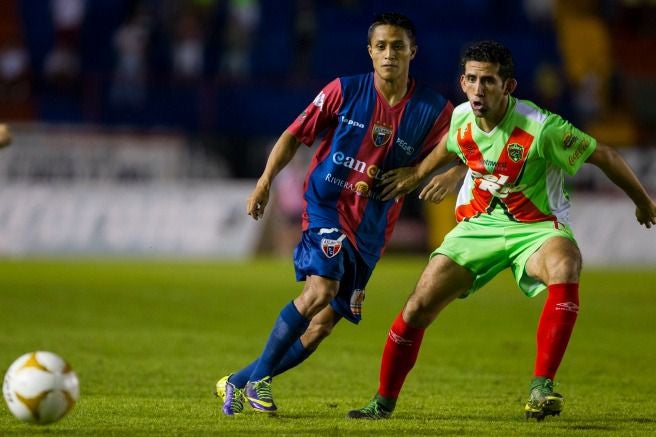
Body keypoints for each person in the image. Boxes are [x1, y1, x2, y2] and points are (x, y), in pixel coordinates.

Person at [347, 40, 656, 421]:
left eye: (489, 81)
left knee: (566, 265)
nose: (479, 89)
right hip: (478, 226)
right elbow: (449, 145)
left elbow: (605, 155)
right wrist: (419, 173)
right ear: (462, 82)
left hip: (536, 228)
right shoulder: (461, 116)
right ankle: (382, 402)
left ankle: (541, 388)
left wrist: (643, 202)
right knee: (417, 306)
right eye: (473, 80)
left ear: (508, 87)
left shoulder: (542, 129)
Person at [215, 12, 461, 416]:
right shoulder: (343, 91)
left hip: (372, 228)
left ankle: (240, 381)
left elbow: (476, 142)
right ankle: (258, 382)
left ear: (412, 51)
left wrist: (445, 172)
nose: (389, 54)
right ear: (369, 51)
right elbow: (294, 134)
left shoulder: (434, 110)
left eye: (397, 46)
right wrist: (264, 182)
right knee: (320, 291)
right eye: (380, 46)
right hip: (328, 206)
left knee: (323, 324)